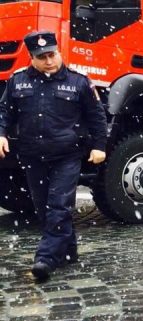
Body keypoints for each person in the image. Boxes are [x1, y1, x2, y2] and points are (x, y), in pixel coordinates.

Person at [0, 30, 108, 281]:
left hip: (66, 155)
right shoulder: (18, 81)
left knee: (58, 206)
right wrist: (1, 133)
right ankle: (68, 251)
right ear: (31, 58)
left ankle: (46, 258)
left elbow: (96, 116)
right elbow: (4, 111)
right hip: (31, 155)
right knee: (42, 208)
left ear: (58, 51)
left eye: (52, 54)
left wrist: (99, 146)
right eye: (42, 57)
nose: (49, 60)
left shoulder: (78, 82)